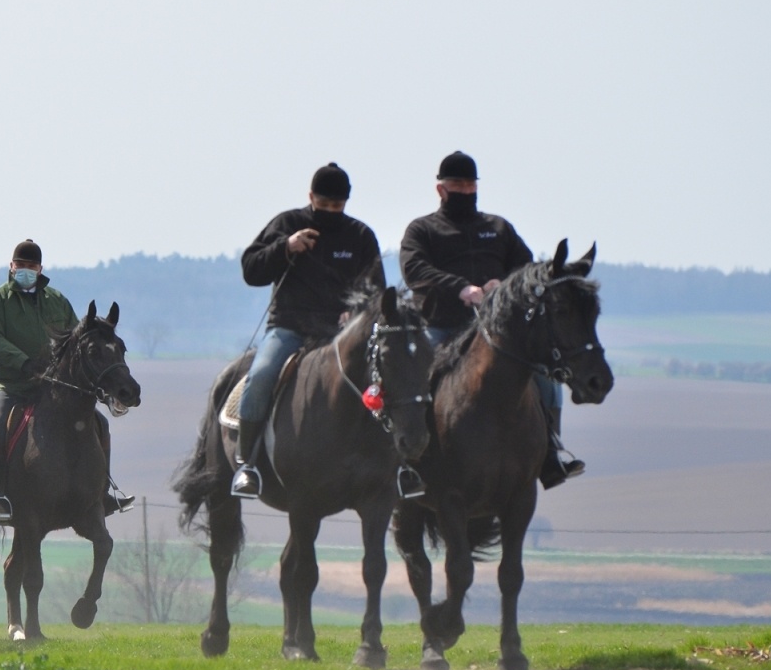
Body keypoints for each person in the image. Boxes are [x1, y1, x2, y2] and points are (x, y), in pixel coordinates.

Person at [400, 150, 584, 487]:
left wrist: (505, 283)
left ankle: (552, 452)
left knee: (546, 378)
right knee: (414, 379)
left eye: (470, 184)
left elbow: (526, 269)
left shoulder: (498, 228)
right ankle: (408, 462)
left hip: (496, 334)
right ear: (440, 188)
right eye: (457, 184)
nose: (465, 190)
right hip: (441, 327)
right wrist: (461, 288)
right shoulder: (422, 230)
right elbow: (415, 270)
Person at [232, 163, 385, 498]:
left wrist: (356, 314)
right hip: (290, 328)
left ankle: (396, 464)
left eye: (337, 206)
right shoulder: (288, 223)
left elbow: (377, 292)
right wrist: (285, 247)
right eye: (324, 205)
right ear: (310, 196)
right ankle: (248, 463)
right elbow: (251, 269)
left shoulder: (360, 236)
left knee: (388, 380)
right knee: (260, 377)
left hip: (341, 334)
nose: (330, 211)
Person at [0, 240, 133, 523]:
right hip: (9, 384)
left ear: (40, 269)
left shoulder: (57, 301)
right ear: (11, 266)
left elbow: (76, 342)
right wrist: (23, 362)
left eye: (31, 267)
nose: (25, 270)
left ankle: (103, 493)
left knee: (101, 424)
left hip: (49, 386)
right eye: (20, 266)